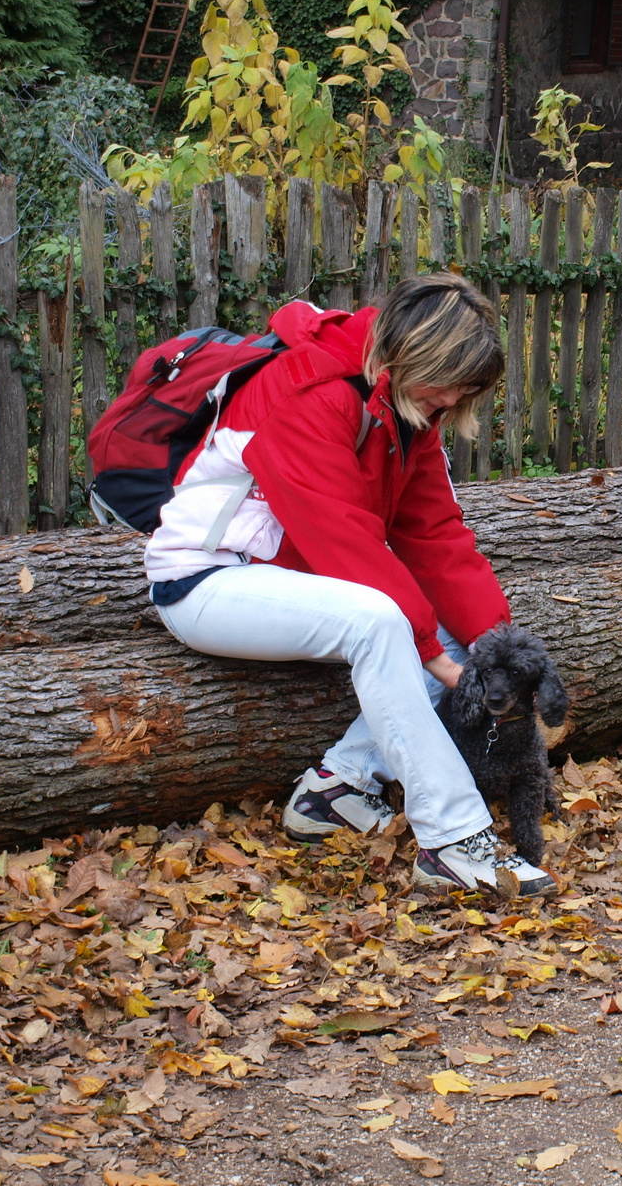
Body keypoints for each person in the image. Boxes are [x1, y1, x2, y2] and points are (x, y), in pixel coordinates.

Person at [144, 272, 558, 898]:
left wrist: (494, 646)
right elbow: (344, 543)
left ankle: (337, 788)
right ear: (413, 356)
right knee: (384, 622)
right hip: (204, 580)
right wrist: (444, 669)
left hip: (285, 581)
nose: (452, 401)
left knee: (451, 636)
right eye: (448, 385)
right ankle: (453, 842)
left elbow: (435, 534)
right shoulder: (306, 391)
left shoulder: (405, 407)